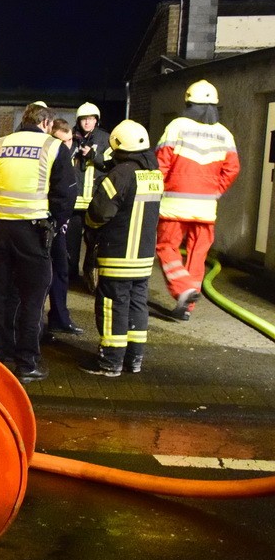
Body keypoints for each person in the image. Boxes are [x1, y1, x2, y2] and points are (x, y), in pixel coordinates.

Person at [0, 103, 76, 383]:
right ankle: (26, 363)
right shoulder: (53, 147)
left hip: (1, 233)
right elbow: (66, 194)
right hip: (34, 233)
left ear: (24, 119)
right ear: (46, 122)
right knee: (32, 299)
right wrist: (53, 223)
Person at [79, 120, 163, 376]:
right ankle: (133, 360)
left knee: (113, 305)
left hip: (118, 254)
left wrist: (90, 227)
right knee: (138, 305)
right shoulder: (154, 175)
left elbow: (99, 212)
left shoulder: (121, 174)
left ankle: (110, 362)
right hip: (144, 257)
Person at [155, 79, 240, 321]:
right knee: (197, 255)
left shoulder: (177, 126)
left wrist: (155, 192)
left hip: (174, 205)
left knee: (166, 247)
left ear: (189, 102)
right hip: (206, 208)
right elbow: (232, 169)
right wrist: (214, 191)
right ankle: (186, 309)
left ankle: (183, 290)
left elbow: (162, 163)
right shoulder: (225, 134)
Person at [45, 118, 83, 336]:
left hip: (60, 224)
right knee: (42, 276)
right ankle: (37, 326)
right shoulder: (48, 157)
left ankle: (60, 318)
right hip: (46, 223)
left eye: (69, 140)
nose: (67, 145)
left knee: (61, 271)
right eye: (62, 140)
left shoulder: (68, 158)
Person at [68, 102, 111, 290]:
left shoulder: (105, 139)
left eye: (91, 119)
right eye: (84, 119)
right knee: (71, 242)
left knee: (93, 243)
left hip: (94, 201)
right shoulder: (70, 137)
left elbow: (111, 164)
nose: (87, 122)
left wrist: (94, 155)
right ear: (79, 120)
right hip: (74, 202)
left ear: (96, 121)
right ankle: (70, 275)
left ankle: (89, 275)